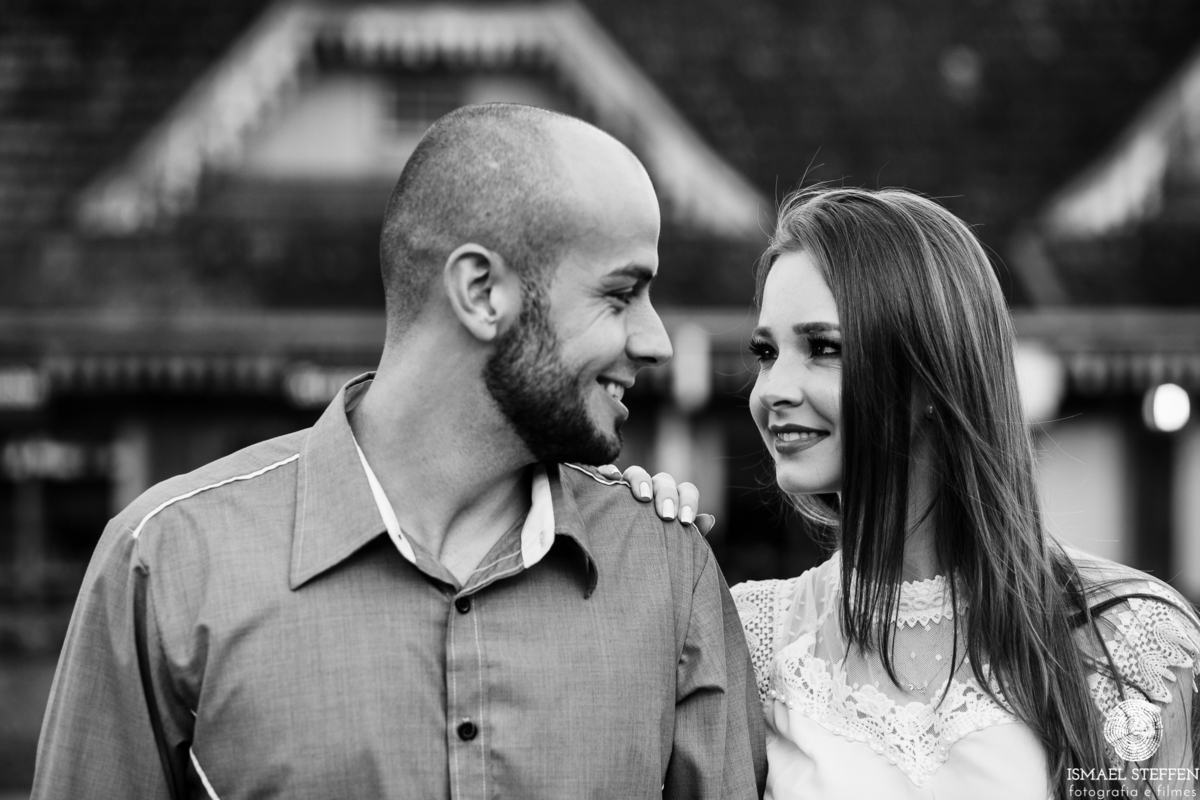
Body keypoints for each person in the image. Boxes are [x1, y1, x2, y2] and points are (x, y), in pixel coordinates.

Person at [32, 104, 766, 799]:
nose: (656, 341)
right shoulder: (167, 562)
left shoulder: (668, 572)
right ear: (481, 292)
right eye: (620, 294)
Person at [621, 187, 1200, 799]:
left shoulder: (1130, 637)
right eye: (766, 353)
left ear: (931, 374)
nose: (771, 390)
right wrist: (626, 545)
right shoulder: (747, 636)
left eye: (824, 348)